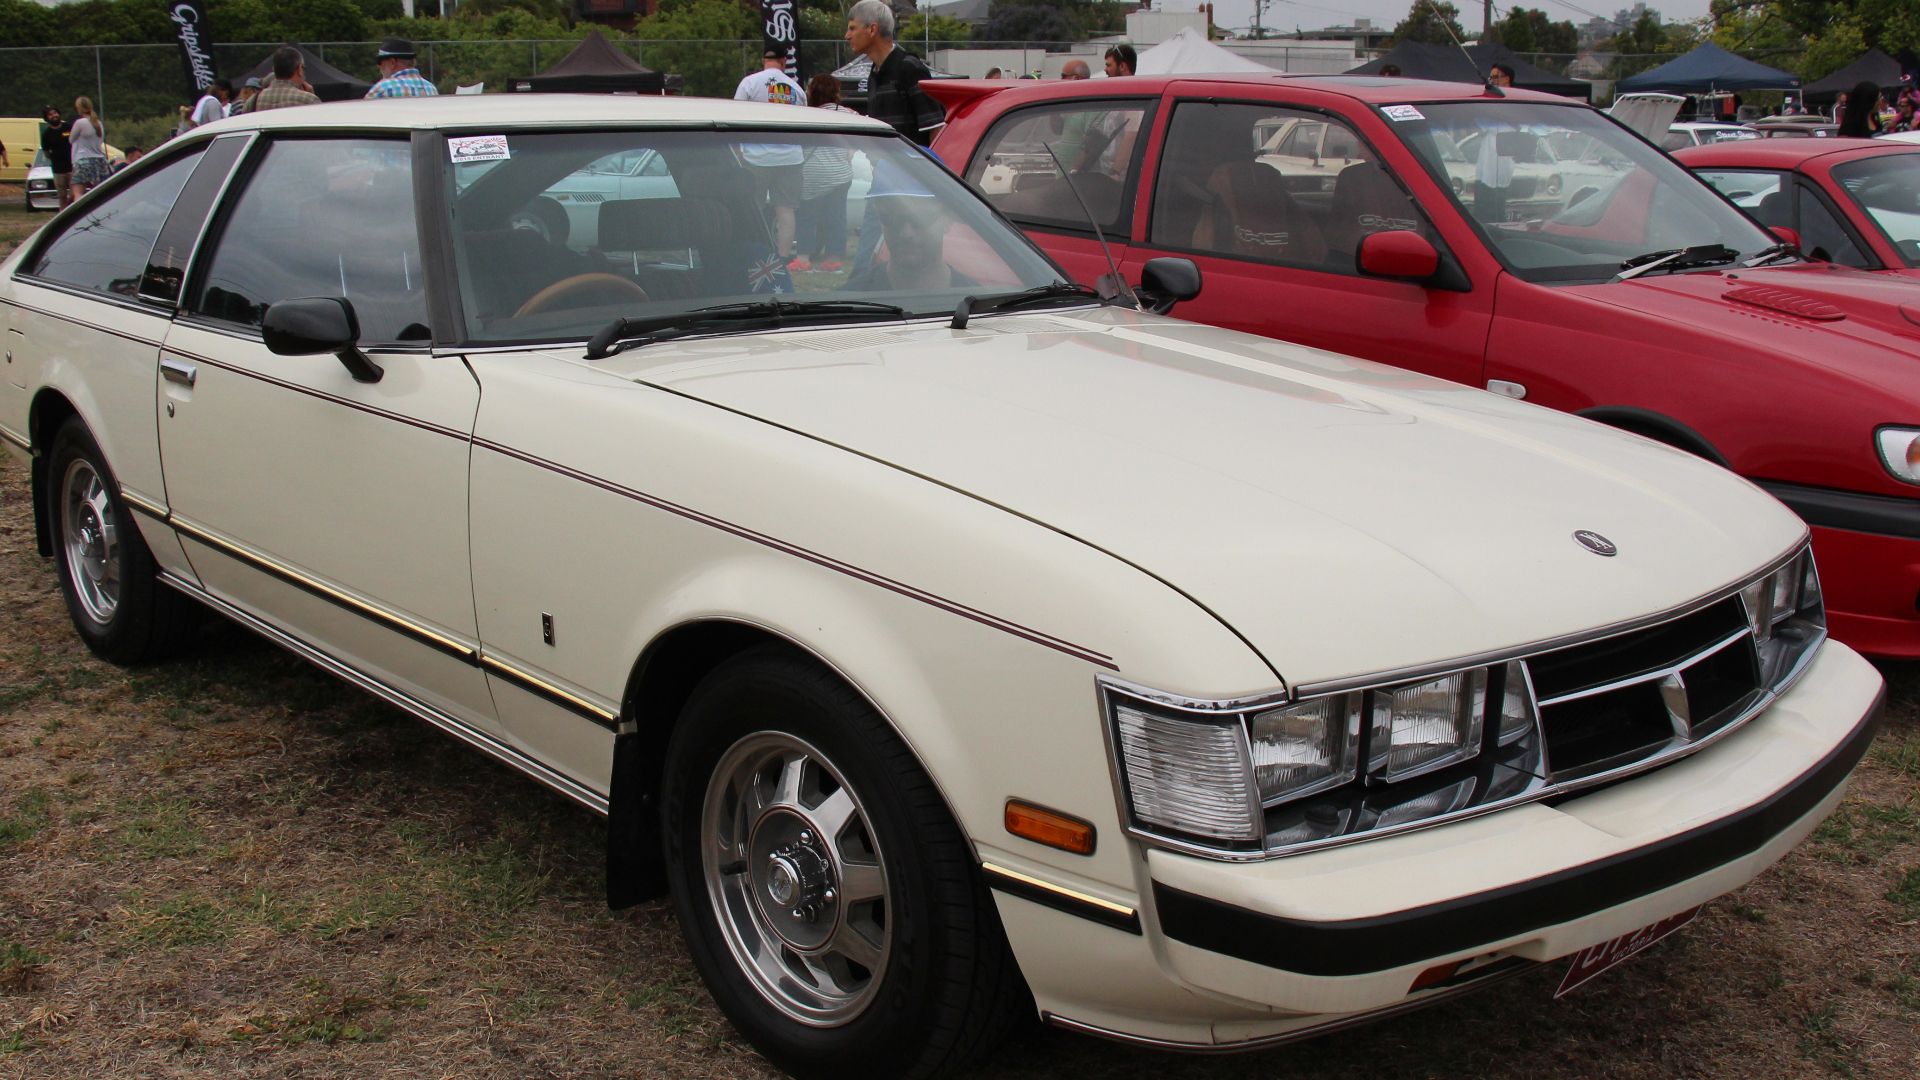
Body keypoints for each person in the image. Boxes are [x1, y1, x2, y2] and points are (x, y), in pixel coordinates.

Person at [735, 51, 809, 266]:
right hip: (790, 157)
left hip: (756, 157)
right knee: (785, 210)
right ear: (784, 61)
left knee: (753, 208)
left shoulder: (749, 83)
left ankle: (751, 252)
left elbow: (735, 116)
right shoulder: (796, 89)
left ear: (763, 60)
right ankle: (782, 257)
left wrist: (739, 150)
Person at [846, 170, 972, 291]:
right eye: (892, 218)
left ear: (948, 219)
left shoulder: (979, 305)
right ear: (879, 218)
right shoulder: (851, 304)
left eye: (920, 218)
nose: (906, 233)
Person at [845, 0, 943, 146]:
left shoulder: (909, 68)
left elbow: (936, 129)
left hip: (911, 167)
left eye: (852, 28)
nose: (847, 36)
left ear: (872, 29)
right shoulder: (874, 73)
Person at [795, 74, 857, 273]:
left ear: (812, 93)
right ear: (836, 92)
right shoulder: (848, 114)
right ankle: (833, 258)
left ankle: (803, 258)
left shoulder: (805, 115)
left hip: (813, 174)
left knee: (807, 217)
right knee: (836, 217)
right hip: (841, 173)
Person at [253, 46, 322, 112]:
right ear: (299, 69)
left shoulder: (254, 101)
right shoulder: (309, 100)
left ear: (274, 69)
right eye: (304, 68)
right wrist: (312, 95)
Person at [366, 38, 437, 99]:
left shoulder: (382, 88)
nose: (379, 66)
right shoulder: (431, 88)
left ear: (392, 63)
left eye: (380, 62)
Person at [67, 97, 108, 200]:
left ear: (79, 108)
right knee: (100, 193)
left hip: (83, 159)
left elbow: (71, 140)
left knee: (78, 192)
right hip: (99, 160)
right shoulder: (99, 123)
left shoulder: (80, 123)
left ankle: (79, 214)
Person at [39, 106, 72, 209]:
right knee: (62, 196)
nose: (54, 116)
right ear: (47, 118)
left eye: (55, 113)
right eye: (50, 114)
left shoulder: (69, 127)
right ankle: (63, 214)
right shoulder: (46, 134)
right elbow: (46, 152)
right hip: (58, 169)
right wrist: (54, 157)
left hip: (73, 167)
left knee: (75, 194)